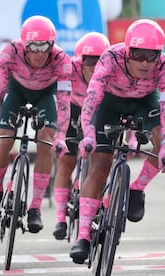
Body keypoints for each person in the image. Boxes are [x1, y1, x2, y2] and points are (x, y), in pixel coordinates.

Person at [69, 19, 165, 264]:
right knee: (99, 167)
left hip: (144, 103)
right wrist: (87, 132)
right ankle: (83, 236)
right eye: (138, 55)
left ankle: (137, 187)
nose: (144, 62)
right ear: (127, 52)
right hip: (108, 103)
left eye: (151, 56)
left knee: (163, 138)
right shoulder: (110, 57)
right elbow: (93, 95)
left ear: (159, 56)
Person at [0, 15, 72, 234]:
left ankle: (35, 207)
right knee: (4, 140)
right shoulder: (10, 52)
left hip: (46, 93)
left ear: (52, 45)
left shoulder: (61, 59)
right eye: (33, 47)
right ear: (24, 45)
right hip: (17, 90)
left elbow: (63, 102)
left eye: (45, 47)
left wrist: (61, 135)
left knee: (45, 143)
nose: (40, 53)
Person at [52, 32, 110, 240]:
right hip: (72, 111)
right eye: (89, 61)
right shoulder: (69, 70)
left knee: (100, 164)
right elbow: (56, 98)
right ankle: (60, 218)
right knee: (66, 163)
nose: (94, 67)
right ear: (79, 62)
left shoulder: (111, 72)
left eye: (99, 61)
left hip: (98, 113)